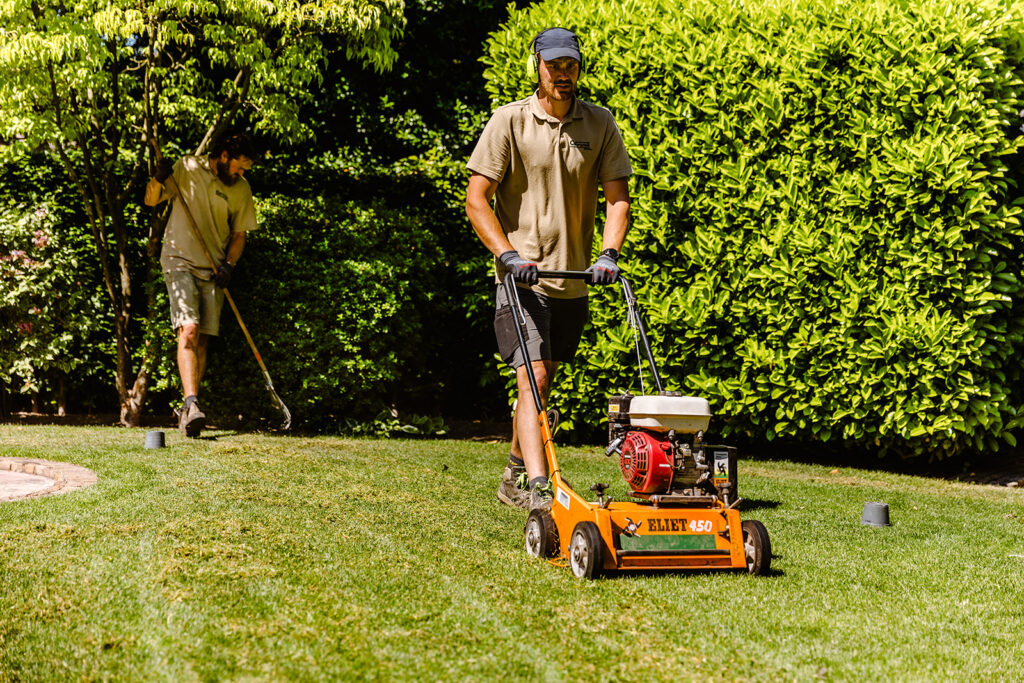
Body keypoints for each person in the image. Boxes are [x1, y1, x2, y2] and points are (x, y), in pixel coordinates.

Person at [465, 27, 633, 509]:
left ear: (579, 68)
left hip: (574, 280)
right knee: (533, 376)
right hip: (522, 280)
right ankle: (541, 491)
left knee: (544, 379)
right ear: (536, 65)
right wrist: (508, 255)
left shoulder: (599, 125)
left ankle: (513, 473)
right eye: (554, 65)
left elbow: (617, 200)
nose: (562, 74)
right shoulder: (509, 121)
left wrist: (609, 254)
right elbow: (477, 199)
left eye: (570, 65)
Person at [144, 133, 258, 437]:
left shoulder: (241, 189)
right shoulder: (187, 167)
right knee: (189, 329)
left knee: (203, 338)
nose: (241, 174)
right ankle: (193, 403)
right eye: (239, 167)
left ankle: (188, 409)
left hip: (212, 267)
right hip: (179, 260)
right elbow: (151, 199)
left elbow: (239, 236)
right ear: (223, 156)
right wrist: (158, 177)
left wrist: (228, 266)